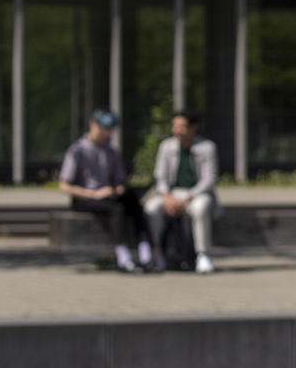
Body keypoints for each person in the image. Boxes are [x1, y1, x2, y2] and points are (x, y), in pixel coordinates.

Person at [60, 109, 150, 272]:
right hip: (85, 198)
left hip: (107, 196)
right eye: (104, 129)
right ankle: (124, 257)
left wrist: (116, 190)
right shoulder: (77, 150)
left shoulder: (111, 151)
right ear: (93, 125)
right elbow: (64, 185)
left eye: (110, 130)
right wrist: (93, 194)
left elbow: (120, 181)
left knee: (133, 201)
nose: (107, 134)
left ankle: (146, 253)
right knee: (117, 209)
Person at [142, 111, 220, 274]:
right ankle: (159, 254)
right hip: (171, 194)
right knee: (151, 208)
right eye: (175, 126)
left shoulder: (207, 147)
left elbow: (209, 179)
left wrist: (187, 198)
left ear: (193, 128)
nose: (177, 130)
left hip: (196, 194)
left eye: (181, 126)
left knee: (201, 208)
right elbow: (160, 176)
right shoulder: (166, 146)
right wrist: (166, 197)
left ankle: (203, 255)